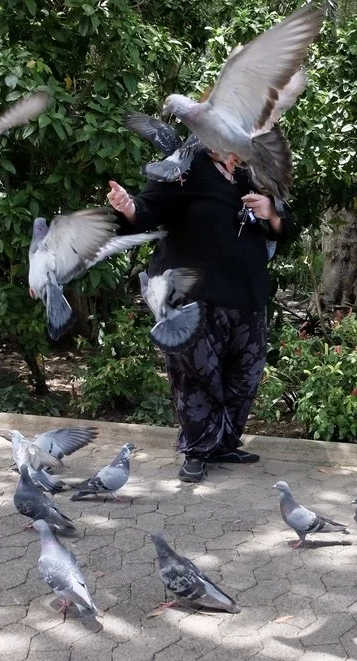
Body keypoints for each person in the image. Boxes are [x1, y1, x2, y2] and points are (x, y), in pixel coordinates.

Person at [107, 148, 296, 483]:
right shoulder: (184, 167)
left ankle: (224, 443)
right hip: (194, 298)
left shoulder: (251, 174)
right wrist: (128, 206)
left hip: (247, 295)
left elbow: (284, 228)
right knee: (195, 375)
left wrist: (271, 210)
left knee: (243, 375)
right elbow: (148, 209)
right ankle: (197, 450)